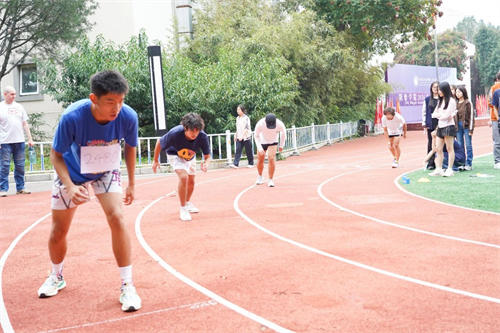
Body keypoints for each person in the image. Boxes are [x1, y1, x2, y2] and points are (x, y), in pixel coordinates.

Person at [37, 70, 142, 312]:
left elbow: (130, 148)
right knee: (59, 230)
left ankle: (127, 285)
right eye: (110, 102)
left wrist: (132, 183)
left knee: (117, 217)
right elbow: (56, 155)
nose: (116, 108)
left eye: (121, 101)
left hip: (106, 170)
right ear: (93, 99)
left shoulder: (128, 116)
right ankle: (56, 276)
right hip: (72, 173)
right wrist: (71, 187)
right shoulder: (72, 117)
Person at [152, 113, 211, 221]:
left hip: (190, 156)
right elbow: (159, 142)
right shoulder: (175, 133)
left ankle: (187, 203)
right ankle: (183, 208)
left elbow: (207, 156)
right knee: (184, 177)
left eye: (197, 130)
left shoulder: (202, 137)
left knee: (192, 181)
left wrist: (206, 163)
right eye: (192, 130)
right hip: (175, 155)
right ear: (185, 128)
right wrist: (155, 160)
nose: (195, 134)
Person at [0, 86, 34, 197]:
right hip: (4, 141)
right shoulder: (0, 107)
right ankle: (3, 189)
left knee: (20, 165)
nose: (14, 96)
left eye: (15, 94)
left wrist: (30, 138)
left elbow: (25, 123)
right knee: (4, 166)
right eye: (11, 94)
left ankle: (20, 188)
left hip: (19, 140)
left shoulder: (19, 107)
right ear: (5, 94)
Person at [429, 81, 458, 177]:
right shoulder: (440, 101)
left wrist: (441, 115)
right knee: (438, 148)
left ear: (445, 90)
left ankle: (450, 169)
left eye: (440, 90)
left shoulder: (452, 101)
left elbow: (446, 116)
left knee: (450, 148)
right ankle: (439, 168)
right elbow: (433, 114)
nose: (438, 92)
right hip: (440, 127)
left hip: (449, 127)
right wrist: (441, 115)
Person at [254, 113, 286, 187]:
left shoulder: (280, 124)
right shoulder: (260, 124)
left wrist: (281, 145)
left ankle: (270, 179)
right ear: (265, 121)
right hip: (262, 141)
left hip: (273, 141)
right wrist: (259, 148)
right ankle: (260, 176)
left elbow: (283, 134)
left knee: (271, 158)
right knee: (260, 159)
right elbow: (256, 136)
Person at [454, 86, 475, 170]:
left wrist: (471, 129)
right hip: (458, 127)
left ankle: (469, 163)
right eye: (456, 92)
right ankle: (462, 163)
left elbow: (471, 117)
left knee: (468, 145)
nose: (457, 94)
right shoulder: (455, 103)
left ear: (463, 92)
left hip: (466, 126)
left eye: (459, 92)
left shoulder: (468, 103)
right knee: (460, 146)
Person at [421, 81, 439, 170]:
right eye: (434, 87)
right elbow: (424, 112)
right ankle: (431, 163)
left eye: (437, 87)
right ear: (431, 89)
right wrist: (424, 123)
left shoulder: (442, 99)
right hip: (431, 123)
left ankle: (443, 162)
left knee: (442, 143)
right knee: (431, 143)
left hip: (441, 123)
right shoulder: (427, 99)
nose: (435, 89)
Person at [488, 72, 500, 169]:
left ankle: (497, 161)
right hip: (496, 118)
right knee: (497, 141)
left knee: (497, 141)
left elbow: (490, 105)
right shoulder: (495, 89)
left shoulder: (493, 88)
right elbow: (492, 105)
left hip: (495, 118)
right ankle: (497, 161)